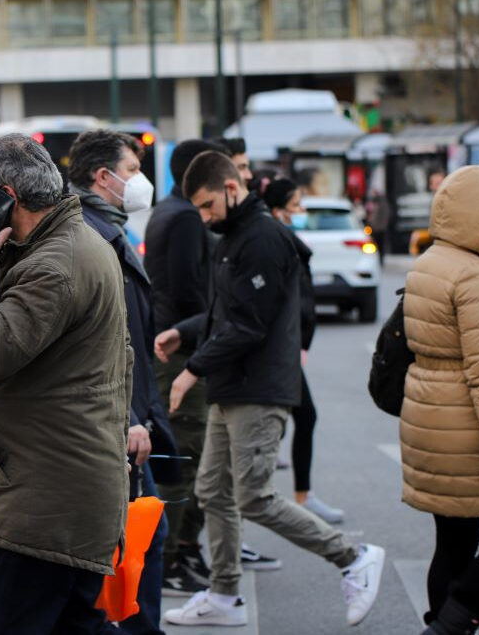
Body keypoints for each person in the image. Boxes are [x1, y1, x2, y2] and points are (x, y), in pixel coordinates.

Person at [158, 152, 385, 628]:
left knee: (253, 496)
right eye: (196, 209)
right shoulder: (235, 235)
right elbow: (226, 314)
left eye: (206, 206)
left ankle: (353, 556)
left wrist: (191, 369)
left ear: (231, 189)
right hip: (234, 384)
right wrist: (186, 331)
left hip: (258, 388)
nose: (203, 217)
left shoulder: (262, 238)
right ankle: (223, 597)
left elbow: (247, 324)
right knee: (213, 490)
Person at [0, 134, 129, 634]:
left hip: (47, 502)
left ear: (6, 198)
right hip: (64, 488)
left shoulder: (54, 264)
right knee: (71, 624)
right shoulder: (67, 244)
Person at [400, 165, 479, 633]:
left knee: (450, 541)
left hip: (429, 416)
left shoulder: (430, 261)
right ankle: (453, 622)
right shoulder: (475, 278)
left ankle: (442, 621)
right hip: (465, 425)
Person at [69, 129, 174, 635]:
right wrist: (131, 418)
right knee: (135, 536)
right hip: (115, 416)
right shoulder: (93, 234)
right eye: (132, 170)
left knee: (137, 534)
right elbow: (100, 340)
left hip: (123, 410)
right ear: (102, 176)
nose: (140, 181)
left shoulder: (109, 227)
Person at [144, 139, 219, 593]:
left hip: (170, 341)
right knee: (186, 456)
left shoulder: (165, 210)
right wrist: (203, 332)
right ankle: (171, 557)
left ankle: (177, 553)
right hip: (181, 347)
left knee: (182, 455)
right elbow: (194, 287)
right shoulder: (188, 216)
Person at [261, 179, 345, 523]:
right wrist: (293, 343)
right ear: (279, 209)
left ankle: (292, 495)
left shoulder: (281, 238)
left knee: (293, 418)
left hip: (289, 346)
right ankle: (286, 497)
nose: (301, 211)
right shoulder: (275, 241)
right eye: (296, 205)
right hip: (282, 348)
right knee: (296, 417)